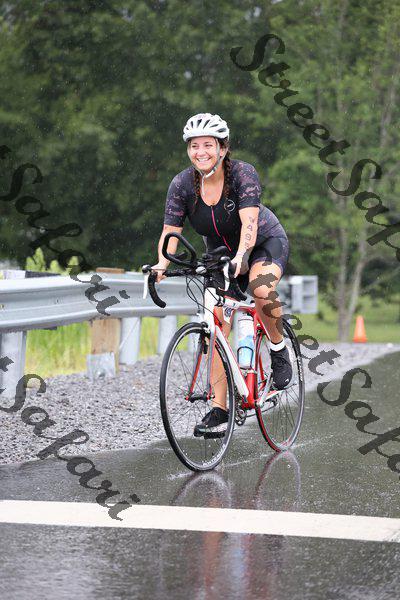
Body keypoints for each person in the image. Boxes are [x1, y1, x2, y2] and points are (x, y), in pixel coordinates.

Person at [152, 112, 291, 435]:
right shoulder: (182, 185)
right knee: (214, 324)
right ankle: (219, 408)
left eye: (208, 145)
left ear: (223, 148)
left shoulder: (242, 174)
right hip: (219, 255)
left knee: (260, 288)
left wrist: (242, 256)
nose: (200, 152)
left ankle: (278, 349)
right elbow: (171, 233)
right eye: (194, 146)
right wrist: (161, 264)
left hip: (263, 243)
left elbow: (249, 224)